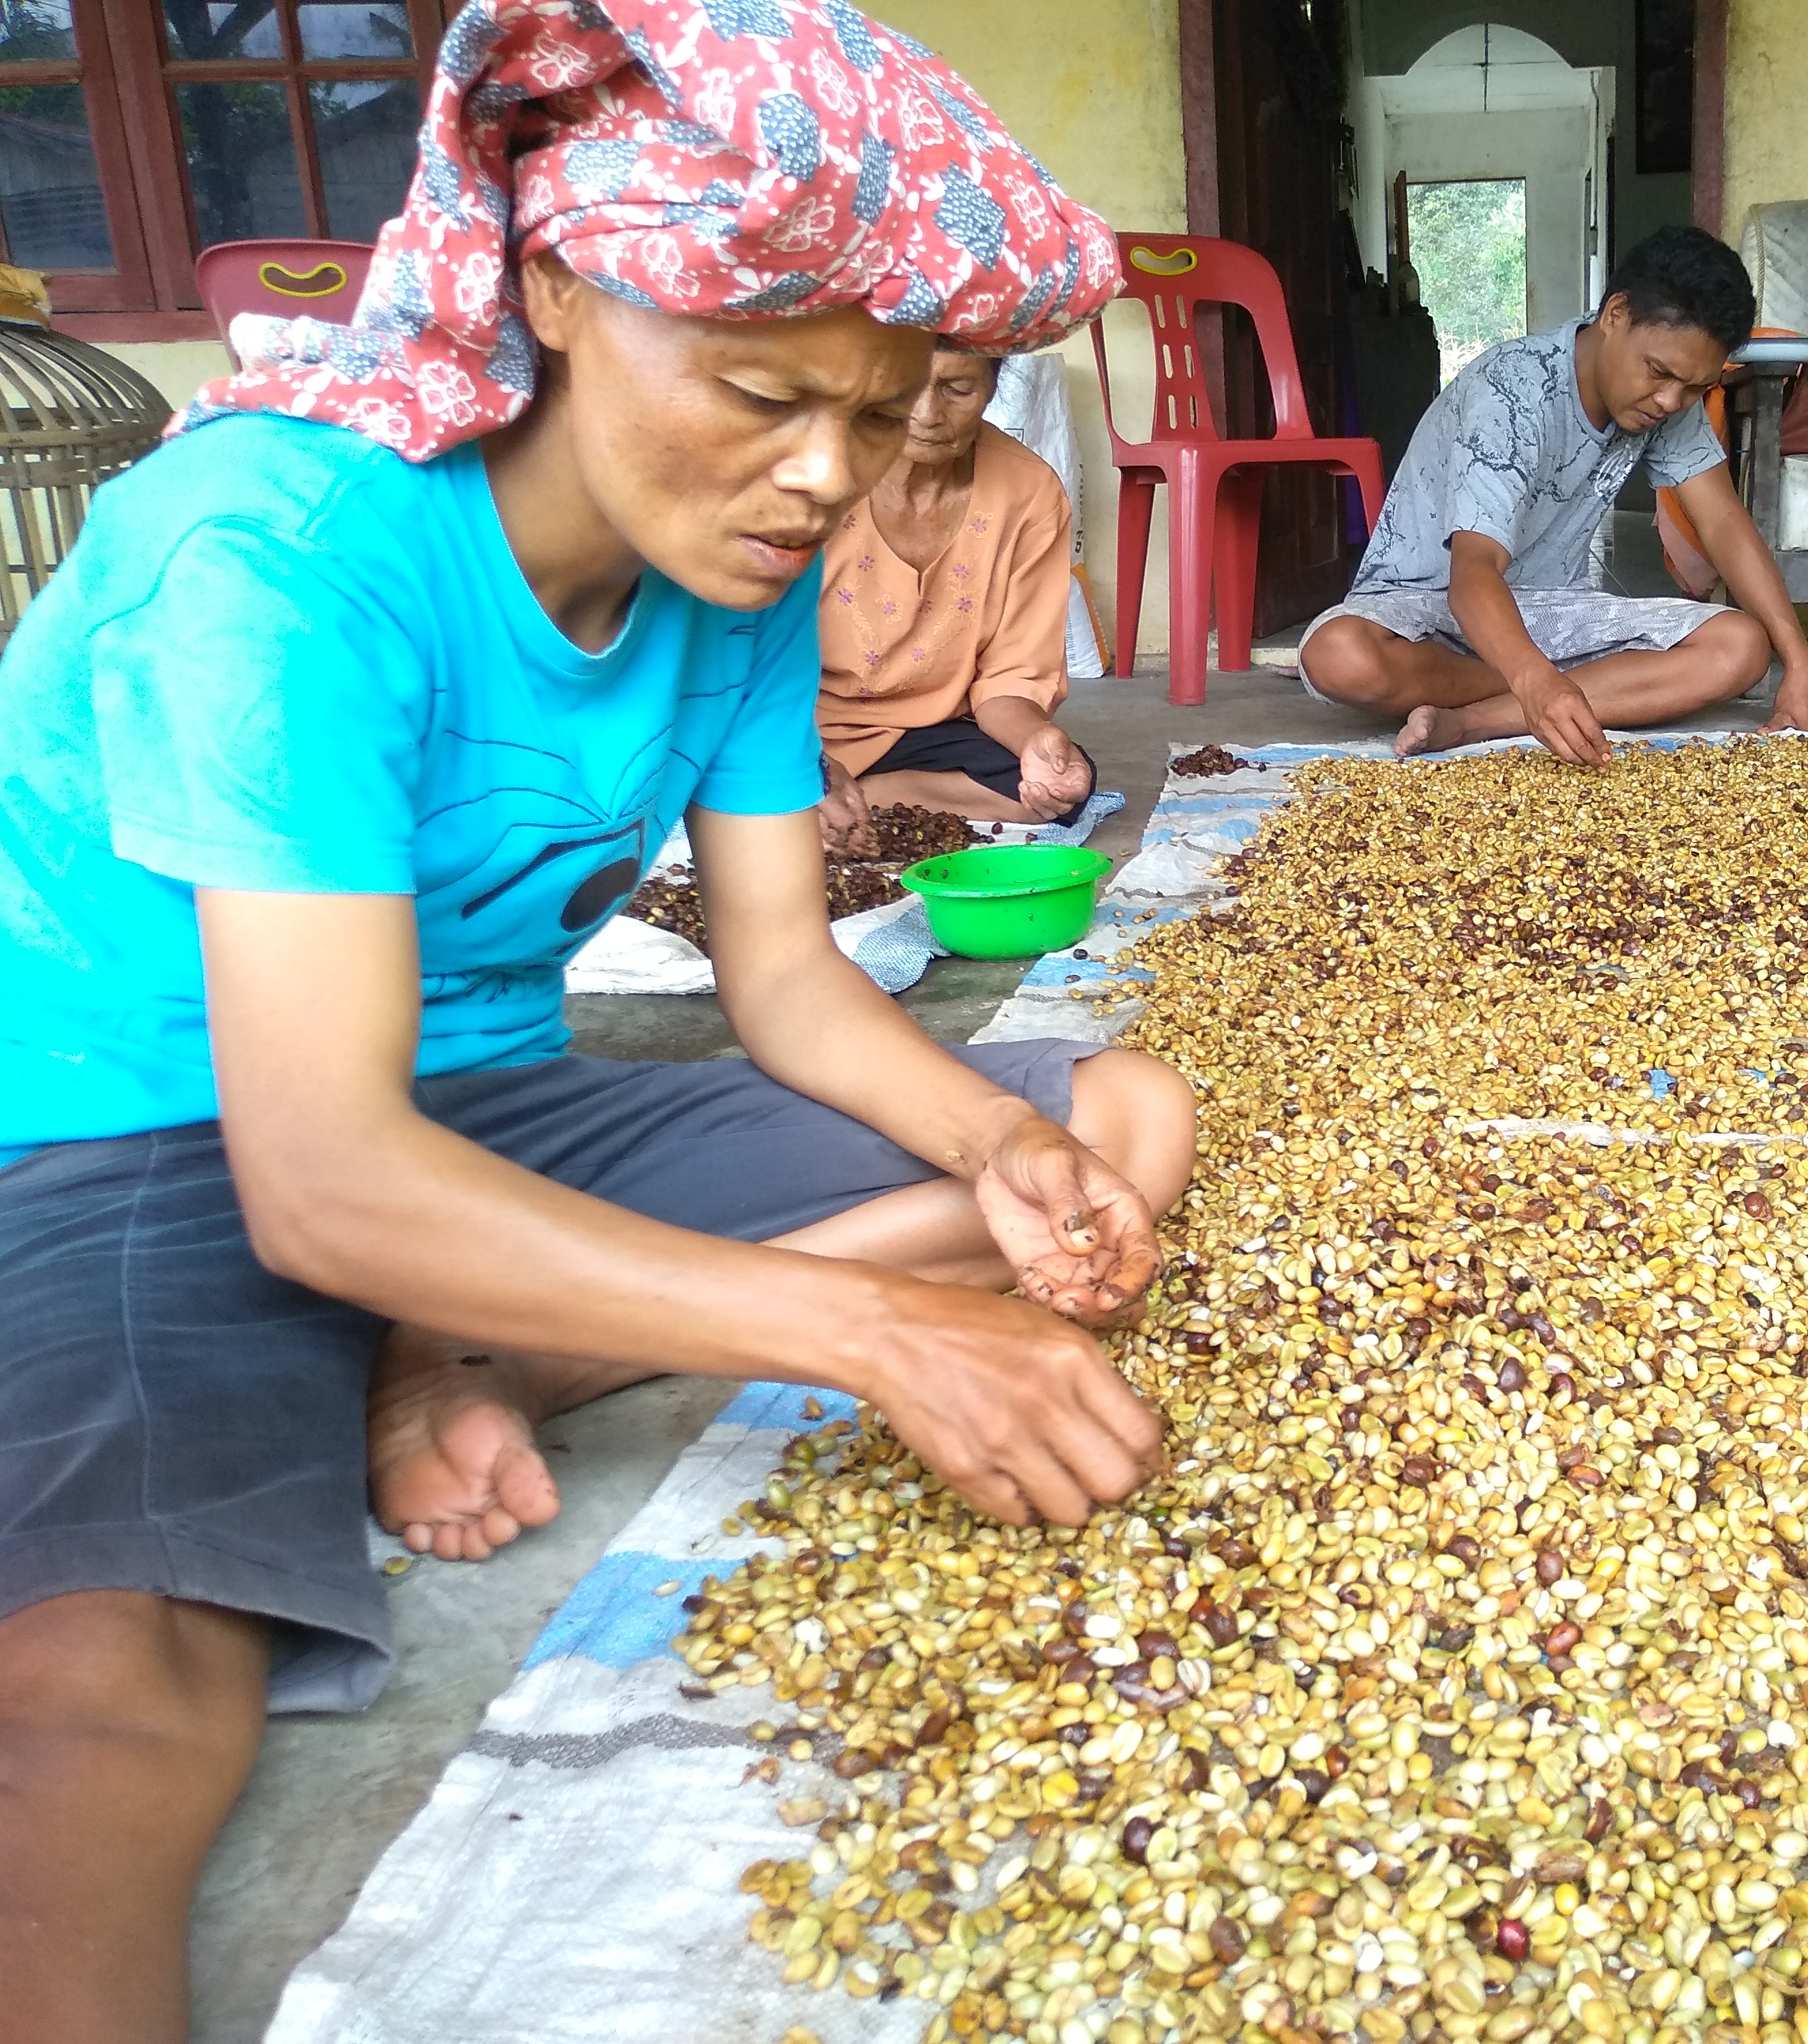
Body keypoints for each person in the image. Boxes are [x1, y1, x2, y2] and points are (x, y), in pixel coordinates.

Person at [0, 5, 1198, 2037]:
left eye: (874, 404)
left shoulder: (736, 574)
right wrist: (874, 1329)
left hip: (467, 1111)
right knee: (103, 1700)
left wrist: (1006, 1153)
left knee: (1120, 1125)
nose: (820, 473)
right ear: (553, 283)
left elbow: (789, 976)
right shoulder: (283, 552)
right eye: (756, 392)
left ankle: (456, 1359)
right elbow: (313, 1174)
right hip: (134, 1137)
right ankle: (416, 1336)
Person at [1299, 226, 1808, 763]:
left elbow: (1724, 522)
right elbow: (1472, 573)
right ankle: (1564, 689)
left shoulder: (1671, 400)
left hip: (1552, 616)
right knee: (1339, 656)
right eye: (1658, 372)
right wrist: (1535, 679)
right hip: (1426, 610)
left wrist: (1801, 659)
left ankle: (1476, 722)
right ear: (1615, 314)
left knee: (1741, 646)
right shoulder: (1511, 392)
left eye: (1694, 387)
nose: (1669, 401)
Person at [815, 337, 1097, 851]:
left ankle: (865, 796)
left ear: (992, 387)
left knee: (1056, 786)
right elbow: (738, 663)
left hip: (927, 731)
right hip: (796, 724)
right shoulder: (818, 476)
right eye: (907, 387)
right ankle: (811, 794)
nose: (926, 414)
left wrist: (1035, 738)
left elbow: (1011, 677)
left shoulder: (1027, 492)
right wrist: (806, 767)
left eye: (957, 389)